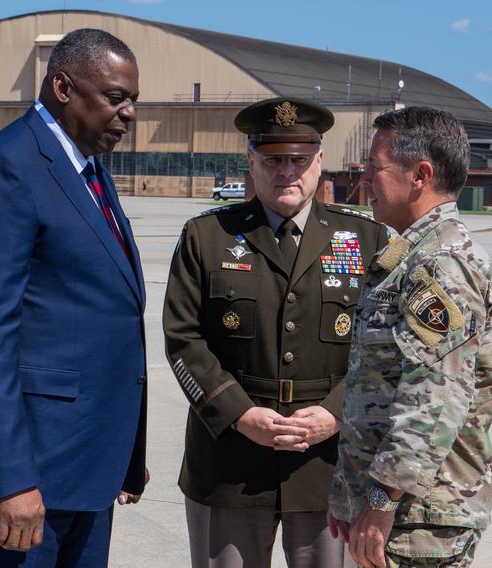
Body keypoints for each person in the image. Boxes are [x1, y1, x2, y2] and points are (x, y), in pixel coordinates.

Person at [0, 29, 149, 567]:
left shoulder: (88, 169)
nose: (130, 113)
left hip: (86, 467)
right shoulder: (5, 167)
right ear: (63, 87)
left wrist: (124, 454)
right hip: (26, 478)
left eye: (134, 99)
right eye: (116, 97)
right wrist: (11, 479)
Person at [163, 97, 391, 568]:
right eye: (273, 159)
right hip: (230, 461)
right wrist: (241, 415)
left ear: (319, 161)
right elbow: (183, 341)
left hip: (329, 462)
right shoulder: (207, 238)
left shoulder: (368, 240)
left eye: (299, 160)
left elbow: (383, 351)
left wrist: (335, 414)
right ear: (251, 160)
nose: (287, 171)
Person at [328, 107, 492, 568]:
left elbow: (433, 399)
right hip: (399, 508)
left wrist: (381, 502)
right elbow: (380, 384)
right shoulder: (411, 254)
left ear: (420, 175)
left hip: (420, 515)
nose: (365, 179)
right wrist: (351, 495)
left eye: (374, 167)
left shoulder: (441, 263)